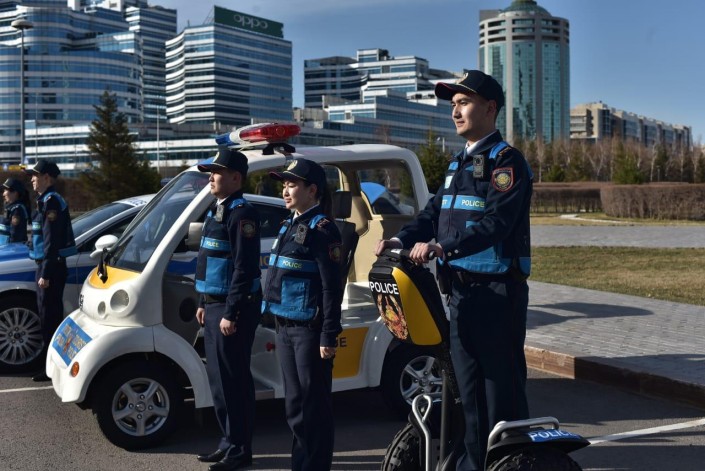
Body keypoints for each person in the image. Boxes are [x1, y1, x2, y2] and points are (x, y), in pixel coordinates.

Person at [375, 70, 533, 471]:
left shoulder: (505, 161)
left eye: (464, 103)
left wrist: (443, 247)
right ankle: (473, 463)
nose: (455, 112)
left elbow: (497, 222)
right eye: (453, 105)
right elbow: (433, 214)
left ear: (490, 108)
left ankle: (511, 462)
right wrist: (400, 239)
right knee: (468, 389)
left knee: (499, 391)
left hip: (496, 294)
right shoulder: (458, 164)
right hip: (461, 293)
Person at [262, 158, 343, 471]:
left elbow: (331, 287)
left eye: (292, 184)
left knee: (314, 406)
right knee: (295, 406)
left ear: (312, 190)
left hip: (309, 330)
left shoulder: (323, 229)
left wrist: (328, 334)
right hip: (285, 327)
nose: (285, 190)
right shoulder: (288, 224)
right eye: (284, 184)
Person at [194, 146, 262, 471]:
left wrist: (231, 312)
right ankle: (228, 442)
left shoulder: (241, 213)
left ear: (236, 178)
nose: (211, 177)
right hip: (214, 306)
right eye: (210, 172)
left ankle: (240, 450)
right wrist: (204, 302)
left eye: (217, 172)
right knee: (219, 382)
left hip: (232, 309)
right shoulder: (217, 209)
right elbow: (211, 261)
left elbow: (244, 268)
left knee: (234, 382)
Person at [24, 160, 76, 382]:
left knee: (49, 318)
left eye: (35, 176)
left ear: (47, 177)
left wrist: (45, 273)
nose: (32, 180)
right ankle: (49, 365)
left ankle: (50, 368)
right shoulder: (45, 200)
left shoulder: (51, 201)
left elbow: (51, 241)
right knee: (47, 316)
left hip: (51, 269)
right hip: (48, 266)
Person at [1, 178, 30, 245]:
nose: (3, 194)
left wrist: (10, 250)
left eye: (6, 190)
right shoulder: (9, 208)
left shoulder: (17, 210)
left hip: (12, 249)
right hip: (4, 248)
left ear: (15, 193)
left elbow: (15, 236)